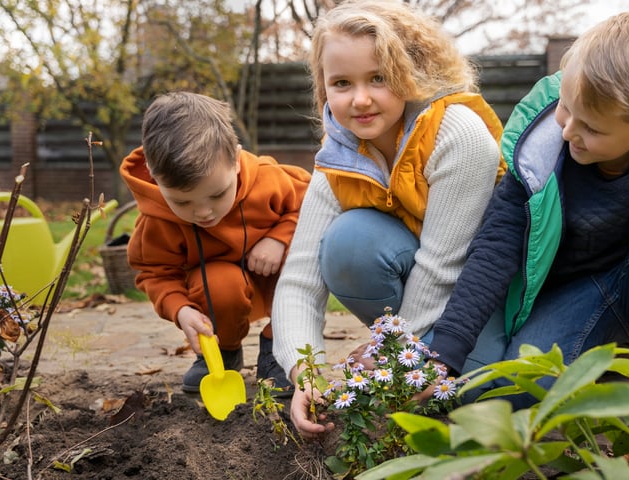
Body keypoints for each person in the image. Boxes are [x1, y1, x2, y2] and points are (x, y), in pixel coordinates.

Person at [428, 11, 629, 409]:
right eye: (566, 108)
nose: (568, 131)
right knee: (509, 395)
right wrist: (444, 352)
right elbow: (495, 248)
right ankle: (604, 360)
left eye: (593, 129)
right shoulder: (541, 150)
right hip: (570, 299)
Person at [271, 0, 506, 438]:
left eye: (377, 78)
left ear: (408, 73)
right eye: (342, 83)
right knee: (349, 243)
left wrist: (389, 358)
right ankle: (417, 366)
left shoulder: (457, 133)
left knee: (488, 392)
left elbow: (442, 270)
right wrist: (305, 371)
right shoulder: (338, 157)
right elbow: (300, 279)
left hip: (481, 301)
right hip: (420, 302)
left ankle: (430, 367)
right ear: (324, 89)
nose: (360, 99)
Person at [120, 91, 311, 395]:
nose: (204, 212)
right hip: (216, 293)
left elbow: (314, 205)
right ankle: (222, 351)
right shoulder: (156, 219)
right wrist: (180, 309)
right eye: (183, 202)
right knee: (220, 282)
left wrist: (279, 237)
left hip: (276, 279)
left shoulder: (269, 180)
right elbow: (155, 272)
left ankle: (280, 348)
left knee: (303, 258)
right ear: (156, 180)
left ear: (235, 160)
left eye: (217, 194)